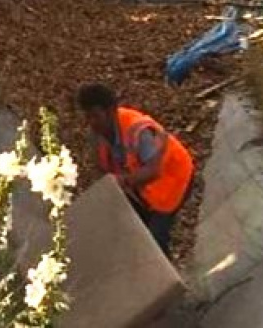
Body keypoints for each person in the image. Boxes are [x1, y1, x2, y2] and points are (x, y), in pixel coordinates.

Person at [76, 83, 195, 258]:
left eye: (95, 116)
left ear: (110, 111)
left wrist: (122, 181)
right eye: (87, 117)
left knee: (154, 240)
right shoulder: (98, 135)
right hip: (144, 188)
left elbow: (154, 170)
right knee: (137, 230)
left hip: (173, 179)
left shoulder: (138, 130)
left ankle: (168, 278)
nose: (91, 123)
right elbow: (103, 169)